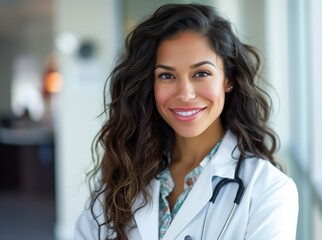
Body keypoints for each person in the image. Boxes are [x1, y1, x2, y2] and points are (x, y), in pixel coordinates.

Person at [75, 3, 298, 240]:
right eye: (166, 76)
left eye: (201, 73)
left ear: (228, 80)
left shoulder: (268, 189)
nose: (184, 93)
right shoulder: (123, 173)